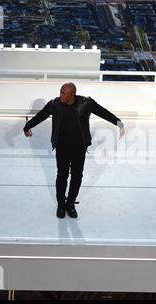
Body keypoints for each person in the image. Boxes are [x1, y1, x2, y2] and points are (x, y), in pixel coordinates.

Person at [24, 83, 125, 219]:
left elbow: (102, 112)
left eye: (64, 93)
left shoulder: (86, 103)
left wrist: (119, 124)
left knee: (77, 175)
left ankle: (70, 203)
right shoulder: (54, 104)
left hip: (79, 146)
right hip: (62, 146)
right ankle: (61, 203)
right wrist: (27, 127)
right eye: (61, 92)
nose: (61, 96)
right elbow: (41, 116)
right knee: (62, 175)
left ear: (72, 95)